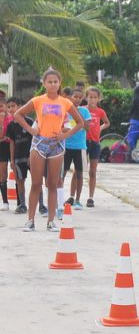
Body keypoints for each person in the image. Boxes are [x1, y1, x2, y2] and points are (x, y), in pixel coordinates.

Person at [13, 68, 85, 231]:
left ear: (59, 83)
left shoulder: (65, 102)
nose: (53, 84)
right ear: (44, 84)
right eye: (49, 81)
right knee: (36, 183)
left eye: (55, 81)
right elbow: (18, 114)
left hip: (57, 146)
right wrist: (31, 130)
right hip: (39, 144)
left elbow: (80, 123)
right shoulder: (38, 100)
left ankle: (51, 221)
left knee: (52, 184)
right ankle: (30, 221)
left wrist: (65, 136)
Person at [63, 87, 93, 208]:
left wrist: (77, 113)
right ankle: (61, 198)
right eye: (75, 97)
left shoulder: (85, 112)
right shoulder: (65, 111)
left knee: (79, 173)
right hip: (66, 146)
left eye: (80, 98)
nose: (77, 99)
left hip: (80, 147)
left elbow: (87, 127)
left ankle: (77, 200)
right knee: (62, 173)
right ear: (70, 97)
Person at [84, 87, 110, 208]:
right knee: (79, 171)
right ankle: (74, 196)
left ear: (98, 99)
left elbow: (107, 122)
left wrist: (100, 128)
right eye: (90, 97)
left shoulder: (100, 112)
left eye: (95, 97)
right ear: (86, 98)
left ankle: (91, 197)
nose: (93, 100)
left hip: (95, 142)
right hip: (83, 142)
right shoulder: (83, 110)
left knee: (92, 171)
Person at [0, 99, 9, 210]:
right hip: (2, 147)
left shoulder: (11, 119)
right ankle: (5, 202)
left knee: (5, 174)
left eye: (2, 106)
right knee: (2, 175)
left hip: (9, 148)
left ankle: (20, 203)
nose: (1, 109)